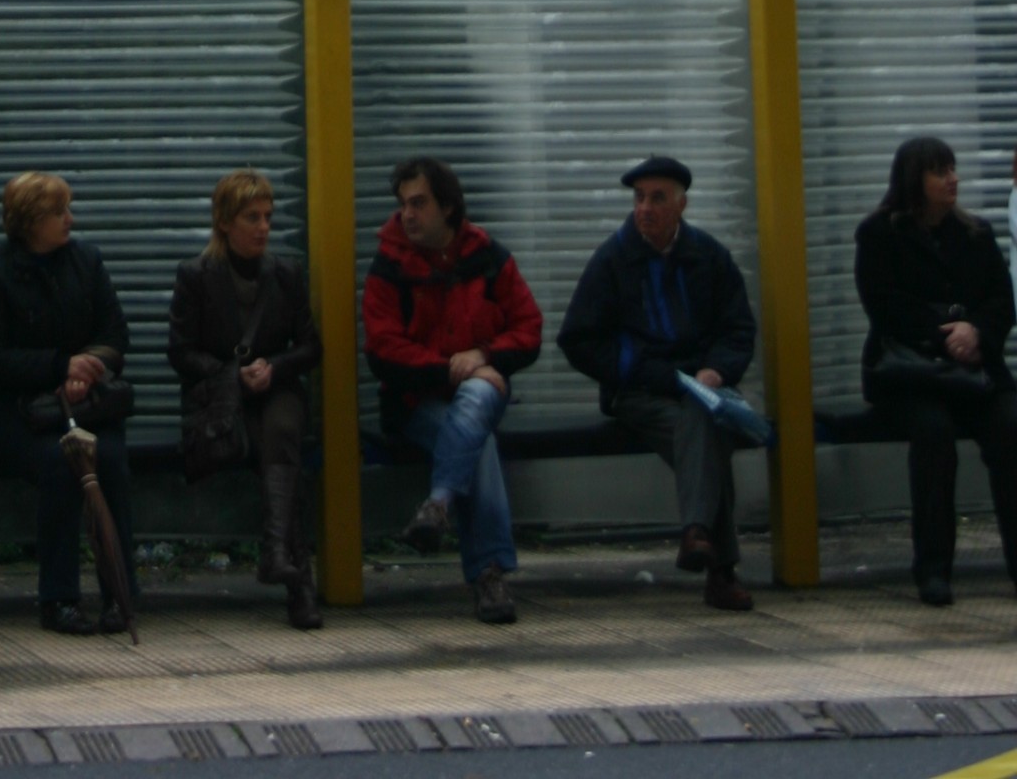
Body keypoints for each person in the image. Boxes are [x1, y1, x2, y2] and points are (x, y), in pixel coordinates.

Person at [559, 155, 757, 610]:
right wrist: (644, 371)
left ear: (681, 205)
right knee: (707, 431)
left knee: (704, 419)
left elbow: (737, 329)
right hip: (640, 393)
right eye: (639, 198)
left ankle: (698, 537)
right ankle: (717, 566)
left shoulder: (710, 256)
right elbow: (579, 339)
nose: (645, 208)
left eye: (657, 198)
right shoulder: (614, 259)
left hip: (702, 390)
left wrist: (715, 372)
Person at [362, 155, 541, 626]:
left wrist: (485, 357)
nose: (408, 215)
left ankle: (438, 504)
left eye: (419, 203)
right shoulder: (389, 265)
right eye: (403, 204)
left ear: (448, 206)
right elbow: (382, 350)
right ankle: (489, 574)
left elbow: (529, 328)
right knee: (477, 438)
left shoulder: (488, 256)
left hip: (480, 386)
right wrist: (451, 370)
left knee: (478, 403)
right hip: (413, 403)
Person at [0, 172, 137, 636]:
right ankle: (58, 598)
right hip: (12, 411)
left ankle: (120, 594)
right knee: (63, 464)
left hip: (86, 406)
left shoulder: (86, 260)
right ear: (29, 221)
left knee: (113, 460)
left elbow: (116, 336)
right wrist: (61, 367)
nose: (70, 219)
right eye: (59, 212)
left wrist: (89, 367)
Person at [855, 134, 1017, 605]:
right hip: (911, 376)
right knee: (934, 435)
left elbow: (1001, 302)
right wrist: (949, 334)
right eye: (940, 171)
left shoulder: (975, 234)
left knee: (1011, 427)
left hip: (976, 372)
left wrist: (979, 334)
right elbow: (884, 306)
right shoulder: (879, 234)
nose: (954, 179)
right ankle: (932, 569)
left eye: (953, 169)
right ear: (914, 180)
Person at [168, 168, 322, 630]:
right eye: (251, 217)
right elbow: (180, 352)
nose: (263, 227)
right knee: (279, 447)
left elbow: (311, 347)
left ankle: (278, 554)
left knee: (280, 430)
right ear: (224, 222)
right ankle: (297, 583)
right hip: (221, 399)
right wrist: (233, 375)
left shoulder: (285, 273)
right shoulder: (196, 276)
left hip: (276, 390)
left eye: (268, 217)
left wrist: (274, 368)